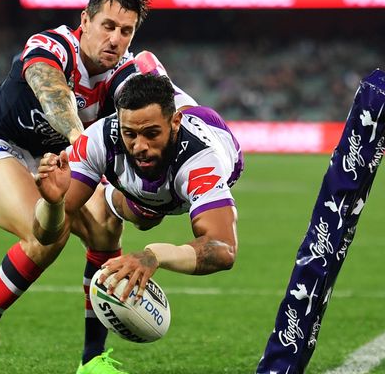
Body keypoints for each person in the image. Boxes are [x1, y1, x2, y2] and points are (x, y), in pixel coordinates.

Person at [0, 0, 154, 374]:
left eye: (125, 31)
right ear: (85, 22)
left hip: (56, 159)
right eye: (107, 26)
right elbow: (52, 93)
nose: (115, 39)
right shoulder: (51, 46)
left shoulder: (126, 74)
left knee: (107, 226)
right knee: (46, 231)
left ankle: (92, 361)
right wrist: (78, 137)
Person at [34, 73, 244, 370]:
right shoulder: (101, 137)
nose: (139, 145)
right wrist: (52, 203)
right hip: (144, 195)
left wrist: (154, 255)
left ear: (174, 124)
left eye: (151, 133)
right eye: (130, 134)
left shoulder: (201, 161)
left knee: (145, 217)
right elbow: (44, 235)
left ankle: (143, 63)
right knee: (140, 216)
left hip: (210, 142)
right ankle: (122, 201)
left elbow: (223, 249)